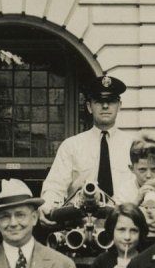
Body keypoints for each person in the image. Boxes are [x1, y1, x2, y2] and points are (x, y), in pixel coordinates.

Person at [41, 73, 137, 215]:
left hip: (123, 223)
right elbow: (55, 186)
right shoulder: (71, 146)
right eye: (99, 101)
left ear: (119, 106)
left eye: (111, 101)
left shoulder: (133, 146)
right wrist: (48, 209)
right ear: (89, 106)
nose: (105, 106)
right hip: (81, 222)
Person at [130, 135, 155, 238]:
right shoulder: (125, 190)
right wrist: (136, 201)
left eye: (154, 169)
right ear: (132, 168)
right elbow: (119, 222)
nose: (149, 175)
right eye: (142, 170)